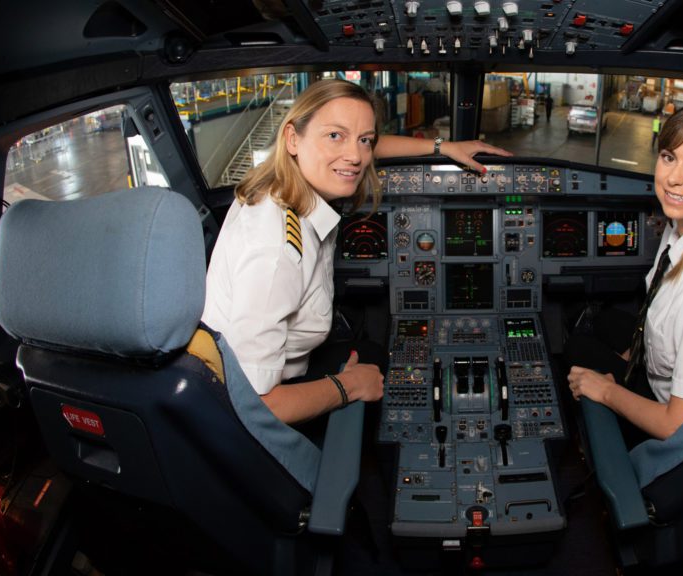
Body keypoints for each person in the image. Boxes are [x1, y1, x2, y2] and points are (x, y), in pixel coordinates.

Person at [202, 79, 511, 425]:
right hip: (258, 404)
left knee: (373, 353)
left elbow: (365, 149)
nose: (355, 156)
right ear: (292, 138)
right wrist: (348, 386)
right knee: (375, 367)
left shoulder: (278, 186)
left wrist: (443, 146)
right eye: (335, 135)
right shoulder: (274, 252)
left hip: (280, 367)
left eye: (364, 139)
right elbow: (255, 404)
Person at [565, 102, 683, 446]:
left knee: (576, 346)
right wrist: (630, 357)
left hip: (671, 414)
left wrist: (608, 391)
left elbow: (681, 425)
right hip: (659, 367)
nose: (673, 178)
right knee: (607, 320)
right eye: (669, 157)